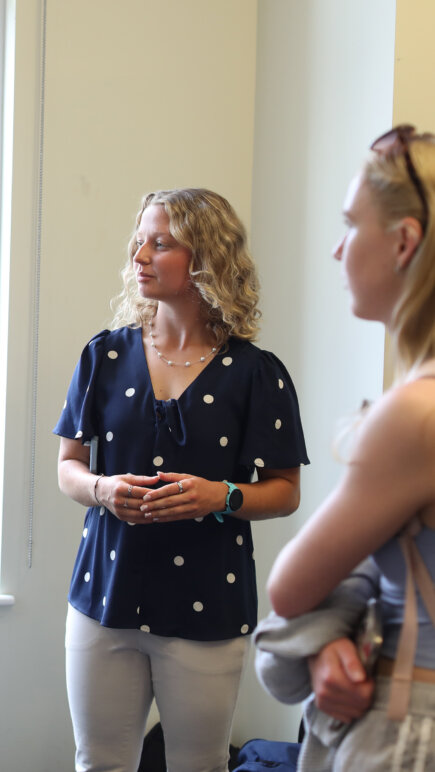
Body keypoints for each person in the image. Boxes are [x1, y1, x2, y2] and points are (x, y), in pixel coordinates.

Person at [53, 187, 309, 772]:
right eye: (138, 242)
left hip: (208, 607)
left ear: (206, 259)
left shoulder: (256, 374)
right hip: (103, 598)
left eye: (160, 243)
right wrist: (103, 490)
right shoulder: (104, 357)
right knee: (99, 764)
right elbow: (69, 468)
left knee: (200, 764)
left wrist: (223, 495)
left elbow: (286, 490)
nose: (139, 256)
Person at [263, 124, 435, 770]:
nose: (336, 251)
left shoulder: (412, 415)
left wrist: (323, 633)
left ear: (402, 241)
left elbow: (289, 587)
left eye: (348, 225)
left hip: (409, 732)